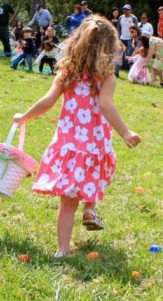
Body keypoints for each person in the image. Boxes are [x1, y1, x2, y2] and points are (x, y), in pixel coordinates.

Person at [12, 15, 141, 258]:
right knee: (97, 175)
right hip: (95, 145)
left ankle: (62, 250)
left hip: (69, 144)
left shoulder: (67, 73)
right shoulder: (106, 77)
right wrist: (125, 132)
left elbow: (47, 102)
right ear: (109, 47)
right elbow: (105, 105)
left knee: (68, 201)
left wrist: (25, 117)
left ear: (77, 42)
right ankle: (90, 209)